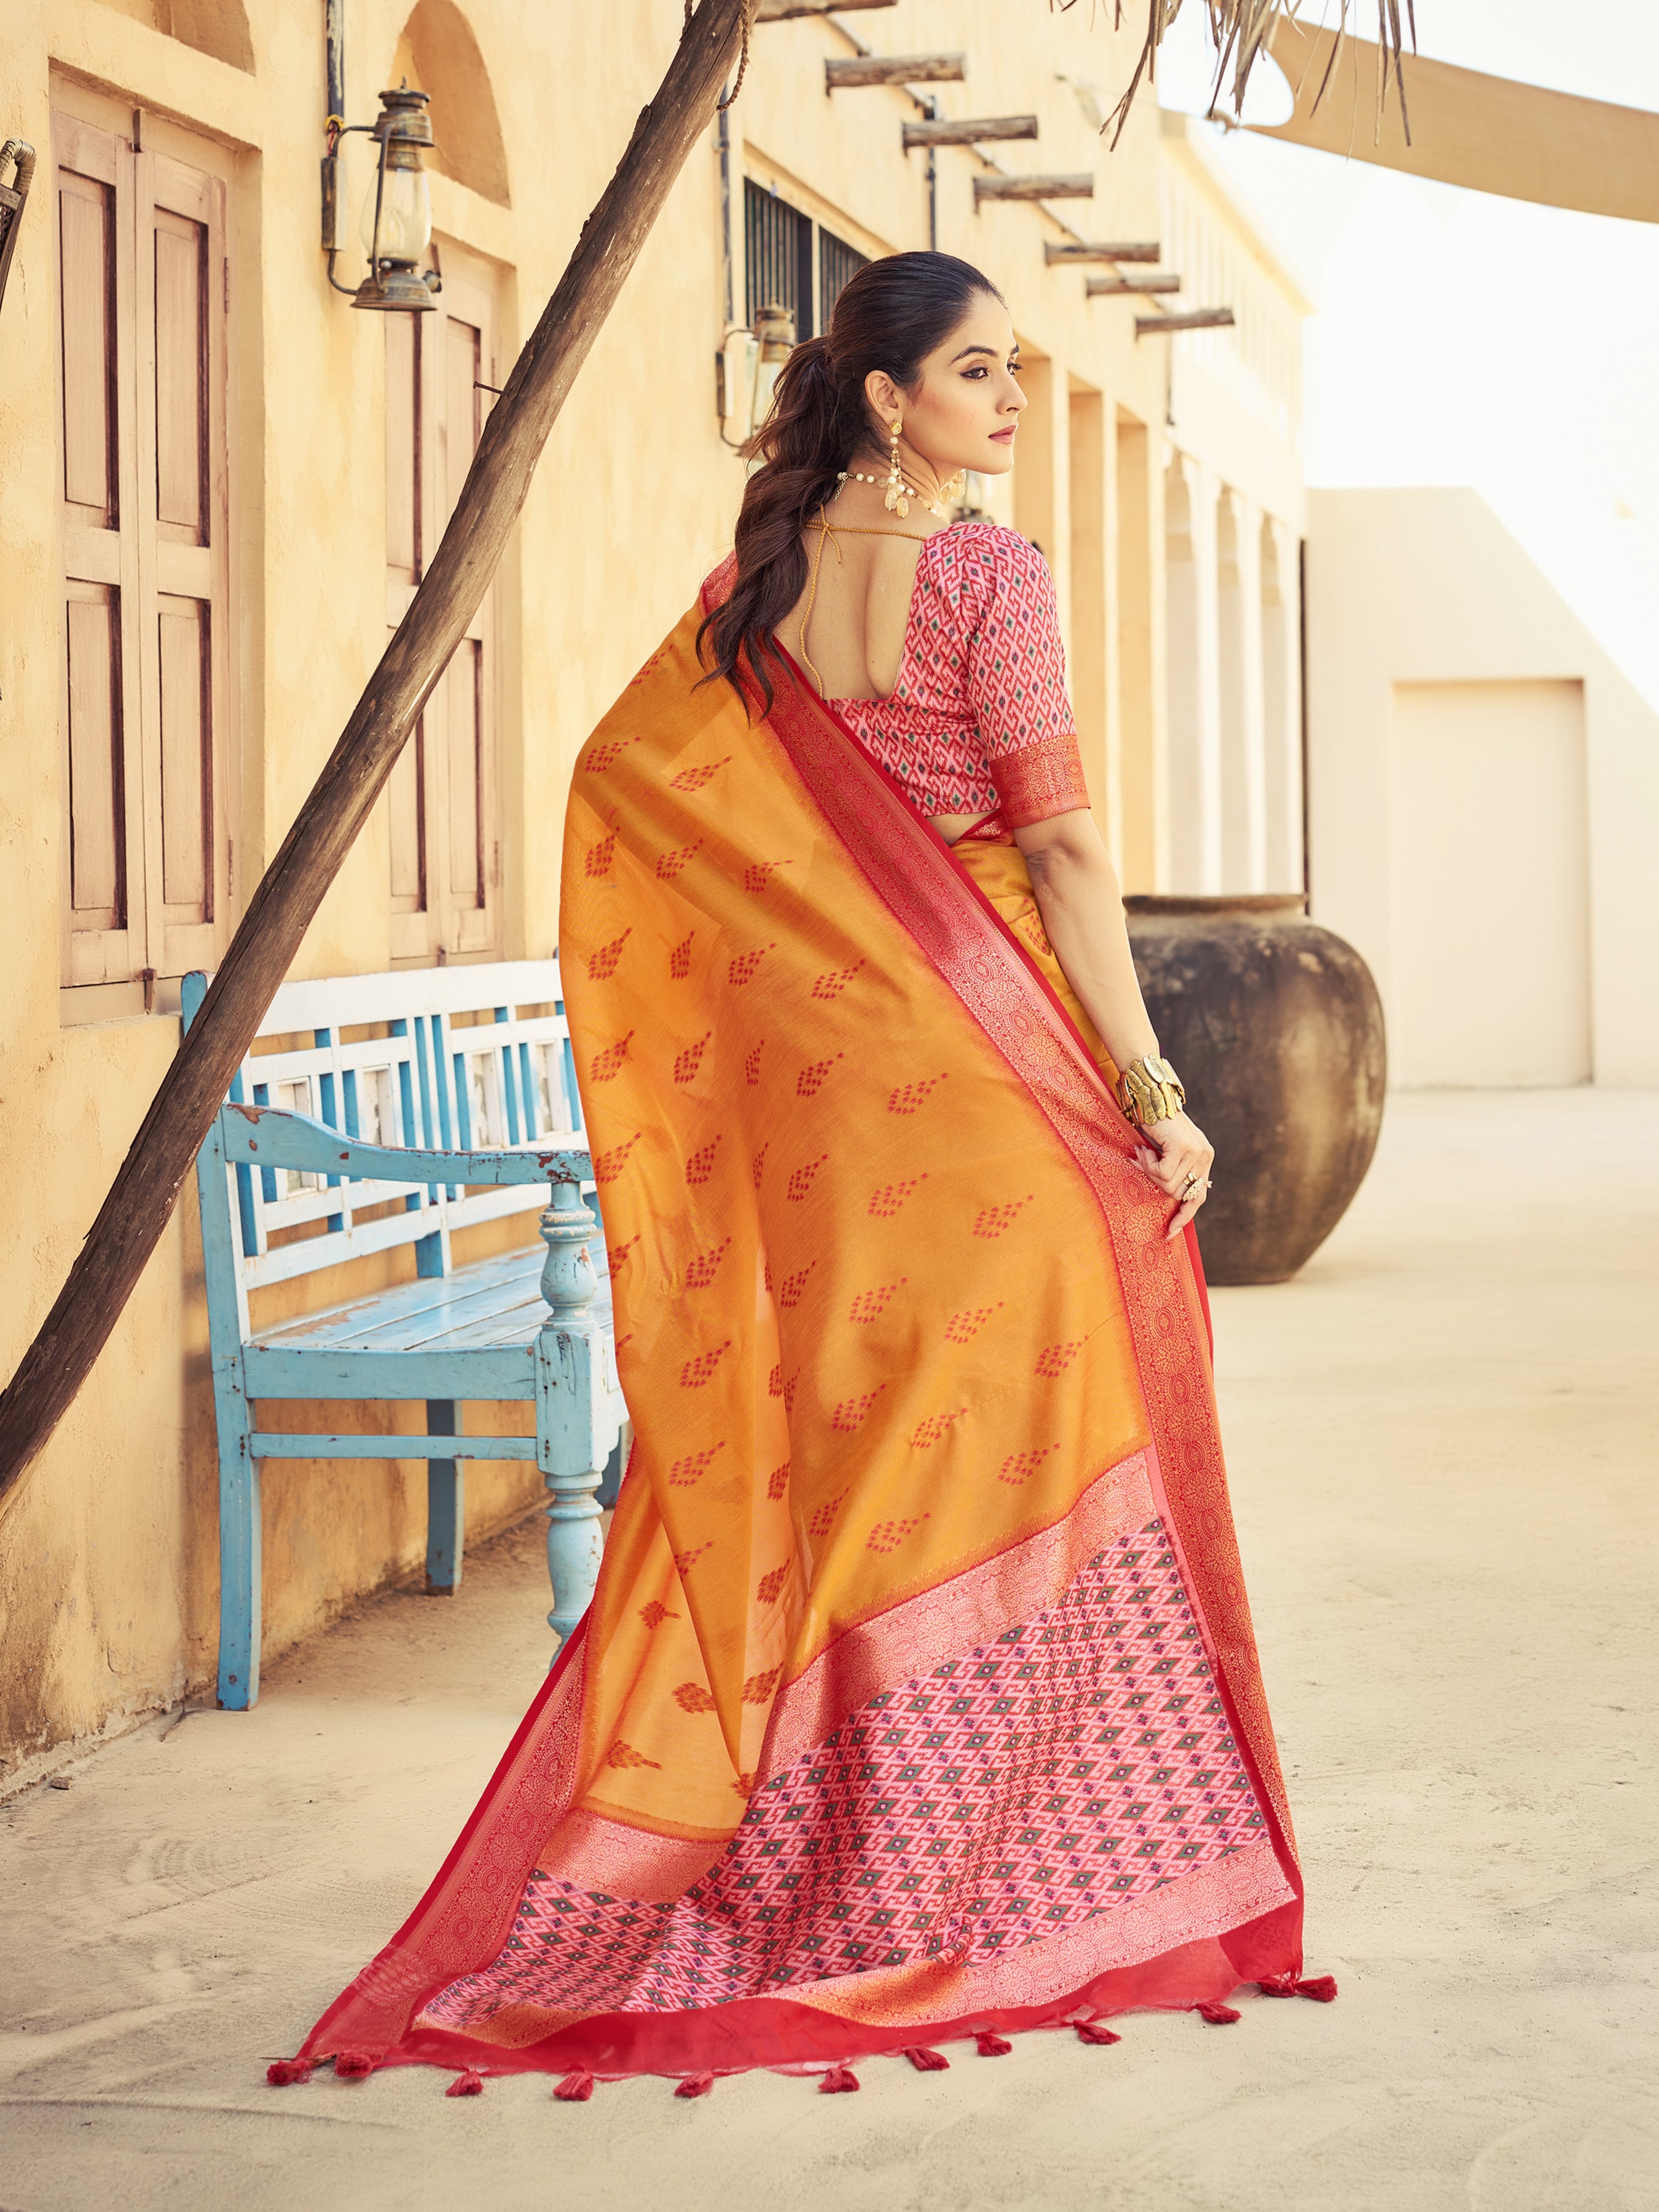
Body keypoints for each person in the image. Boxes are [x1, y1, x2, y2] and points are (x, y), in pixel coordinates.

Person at [280, 251, 1327, 2101]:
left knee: (855, 1466)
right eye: (981, 374)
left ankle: (813, 1863)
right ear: (885, 395)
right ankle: (962, 1868)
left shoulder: (745, 607)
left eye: (1017, 371)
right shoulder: (988, 573)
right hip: (985, 1093)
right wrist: (1150, 1083)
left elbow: (630, 798)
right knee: (1013, 1448)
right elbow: (1067, 853)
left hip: (832, 1131)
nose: (1009, 403)